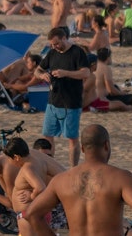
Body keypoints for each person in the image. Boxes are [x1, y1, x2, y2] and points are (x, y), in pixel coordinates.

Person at [21, 124, 132, 236]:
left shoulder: (61, 180)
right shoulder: (121, 177)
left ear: (83, 149)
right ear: (106, 145)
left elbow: (32, 214)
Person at [39, 27, 91, 165]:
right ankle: (50, 165)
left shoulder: (77, 52)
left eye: (56, 43)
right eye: (52, 44)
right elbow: (38, 70)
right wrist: (41, 75)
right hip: (52, 102)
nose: (54, 46)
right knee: (47, 135)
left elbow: (86, 73)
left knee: (72, 138)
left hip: (71, 103)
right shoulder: (52, 53)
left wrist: (66, 73)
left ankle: (73, 168)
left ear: (64, 38)